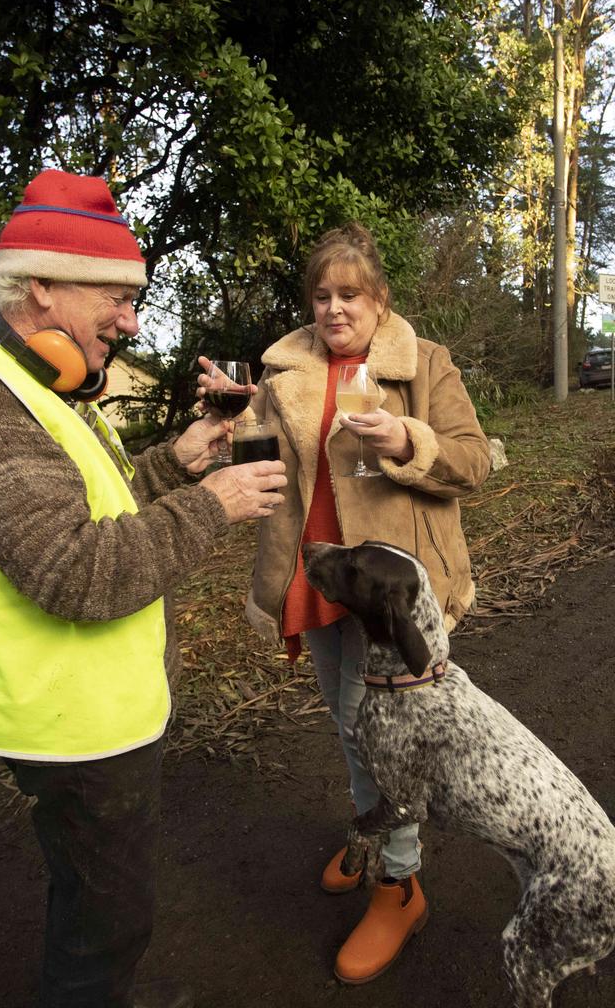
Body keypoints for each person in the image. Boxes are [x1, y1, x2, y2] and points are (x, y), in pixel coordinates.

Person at [0, 168, 286, 1008]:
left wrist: (170, 464)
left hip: (87, 706)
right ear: (39, 285)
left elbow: (88, 505)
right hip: (65, 720)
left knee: (91, 891)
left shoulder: (33, 377)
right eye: (113, 293)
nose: (132, 317)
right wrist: (209, 505)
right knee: (108, 917)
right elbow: (74, 570)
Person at [199, 222, 490, 985]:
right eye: (322, 295)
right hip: (320, 576)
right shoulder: (283, 370)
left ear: (379, 299)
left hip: (389, 596)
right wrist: (233, 413)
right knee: (349, 724)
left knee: (382, 738)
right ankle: (372, 839)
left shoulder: (425, 364)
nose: (334, 309)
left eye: (350, 295)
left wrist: (405, 440)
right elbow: (255, 457)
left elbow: (470, 459)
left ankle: (399, 884)